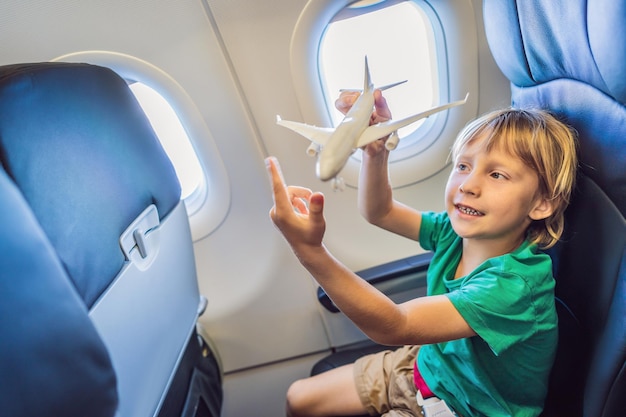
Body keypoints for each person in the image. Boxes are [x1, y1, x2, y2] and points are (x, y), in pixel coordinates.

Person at [266, 89, 578, 417]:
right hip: (425, 366)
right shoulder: (453, 232)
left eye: (497, 174)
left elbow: (394, 325)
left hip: (461, 409)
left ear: (542, 203)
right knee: (298, 398)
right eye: (463, 165)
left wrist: (311, 253)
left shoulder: (514, 287)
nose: (468, 185)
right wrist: (375, 152)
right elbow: (379, 211)